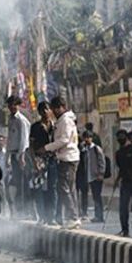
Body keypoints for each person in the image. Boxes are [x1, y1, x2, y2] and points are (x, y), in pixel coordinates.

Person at [44, 96, 81, 229]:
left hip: (68, 158)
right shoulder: (64, 120)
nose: (53, 112)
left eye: (54, 109)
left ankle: (73, 217)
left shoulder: (65, 120)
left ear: (60, 107)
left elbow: (64, 140)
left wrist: (47, 148)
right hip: (66, 157)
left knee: (64, 188)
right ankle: (73, 217)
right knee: (69, 189)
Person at [29, 101, 57, 224]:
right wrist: (34, 161)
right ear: (40, 112)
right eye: (43, 110)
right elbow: (31, 146)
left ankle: (52, 217)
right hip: (40, 160)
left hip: (53, 160)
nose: (46, 112)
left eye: (47, 109)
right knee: (40, 189)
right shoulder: (35, 127)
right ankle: (42, 216)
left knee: (52, 188)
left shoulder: (55, 126)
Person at [5, 96, 30, 218]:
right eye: (10, 105)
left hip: (21, 155)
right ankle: (18, 209)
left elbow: (24, 140)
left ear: (18, 105)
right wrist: (8, 156)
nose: (11, 107)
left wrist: (21, 156)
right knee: (15, 182)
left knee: (22, 183)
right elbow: (10, 139)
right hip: (14, 154)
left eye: (14, 105)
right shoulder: (10, 119)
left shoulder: (21, 120)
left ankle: (24, 210)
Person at [78, 131, 106, 223]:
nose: (86, 139)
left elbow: (102, 162)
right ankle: (96, 216)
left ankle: (100, 216)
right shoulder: (84, 150)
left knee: (97, 197)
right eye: (85, 137)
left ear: (91, 138)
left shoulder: (96, 149)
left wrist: (101, 173)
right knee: (94, 197)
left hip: (96, 176)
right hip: (88, 176)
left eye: (88, 137)